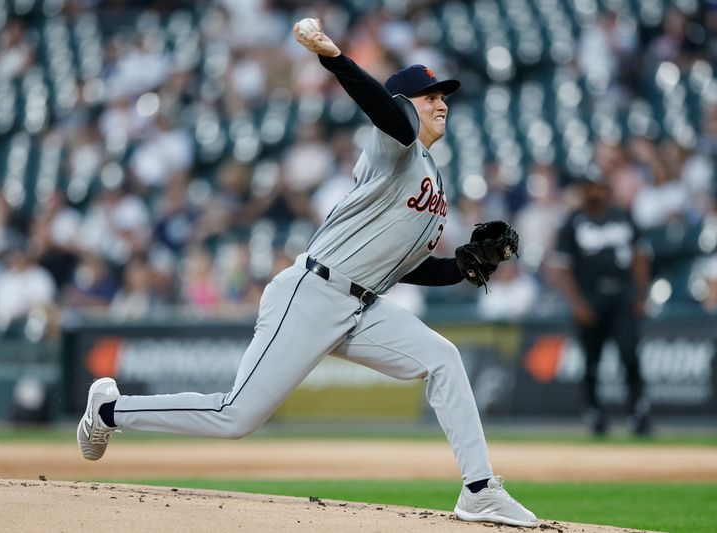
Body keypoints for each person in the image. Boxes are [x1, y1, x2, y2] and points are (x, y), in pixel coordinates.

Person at [76, 19, 538, 528]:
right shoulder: (395, 145)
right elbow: (390, 115)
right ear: (406, 104)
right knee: (236, 417)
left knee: (443, 358)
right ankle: (108, 411)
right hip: (312, 292)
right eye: (428, 95)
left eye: (442, 94)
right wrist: (334, 57)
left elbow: (405, 268)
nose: (440, 102)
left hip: (361, 306)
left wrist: (464, 268)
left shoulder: (431, 180)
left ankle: (479, 490)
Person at [551, 175, 652, 436]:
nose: (594, 191)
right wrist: (576, 303)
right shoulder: (572, 223)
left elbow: (640, 256)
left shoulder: (623, 217)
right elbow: (562, 268)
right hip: (590, 300)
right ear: (583, 190)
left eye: (599, 186)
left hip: (623, 298)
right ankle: (594, 412)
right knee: (592, 361)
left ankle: (638, 411)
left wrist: (641, 294)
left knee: (630, 354)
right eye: (589, 187)